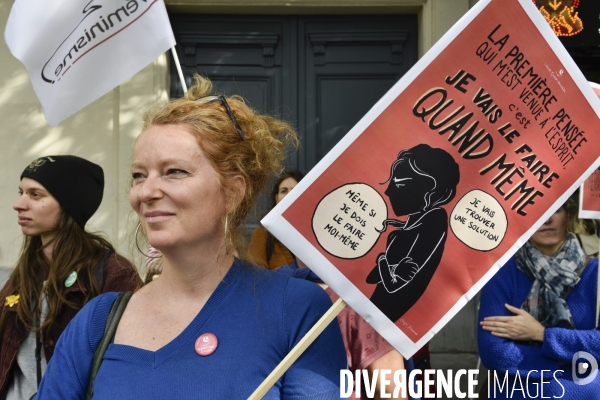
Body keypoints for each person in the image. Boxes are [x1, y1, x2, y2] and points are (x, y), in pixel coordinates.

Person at [36, 76, 346, 399]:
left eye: (174, 172)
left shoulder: (296, 310)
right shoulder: (97, 323)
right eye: (139, 175)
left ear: (233, 192)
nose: (146, 191)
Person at [0, 155, 142, 399]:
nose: (18, 204)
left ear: (69, 203)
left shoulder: (112, 274)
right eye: (21, 192)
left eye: (35, 195)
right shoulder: (24, 273)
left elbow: (126, 364)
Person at [478, 202, 600, 399]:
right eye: (537, 212)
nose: (547, 219)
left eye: (555, 210)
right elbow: (493, 351)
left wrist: (542, 334)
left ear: (567, 217)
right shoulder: (502, 273)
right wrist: (565, 362)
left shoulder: (596, 273)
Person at [366, 144, 460, 322]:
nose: (388, 191)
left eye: (399, 184)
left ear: (429, 190)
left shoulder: (436, 219)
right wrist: (397, 225)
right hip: (376, 316)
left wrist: (382, 261)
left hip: (385, 324)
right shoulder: (422, 218)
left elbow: (394, 285)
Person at [248, 170, 304, 270]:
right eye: (284, 191)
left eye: (295, 190)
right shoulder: (262, 234)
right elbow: (255, 278)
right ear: (277, 198)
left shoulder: (317, 231)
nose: (289, 195)